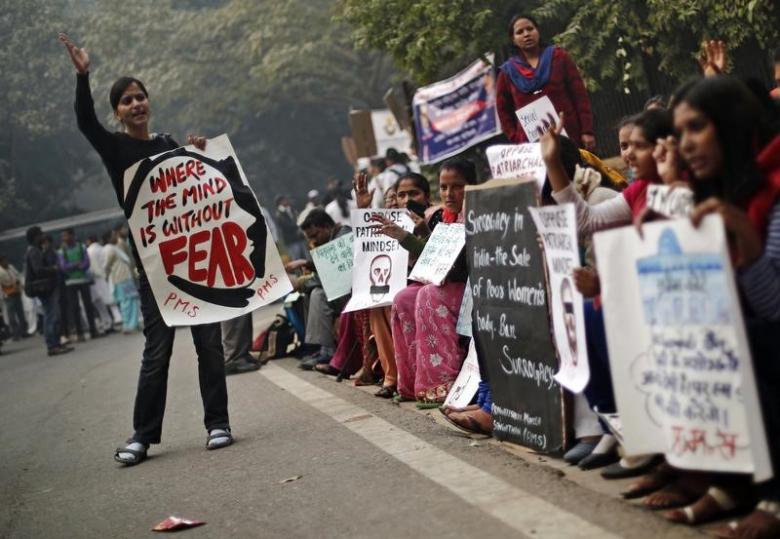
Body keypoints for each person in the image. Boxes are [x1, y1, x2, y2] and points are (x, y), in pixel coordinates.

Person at [60, 33, 233, 465]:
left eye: (140, 97)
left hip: (193, 262)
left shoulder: (168, 145)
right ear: (117, 111)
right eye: (126, 101)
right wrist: (83, 76)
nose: (135, 104)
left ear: (148, 102)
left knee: (209, 344)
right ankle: (142, 436)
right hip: (153, 269)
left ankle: (218, 424)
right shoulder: (114, 148)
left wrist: (201, 153)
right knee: (158, 351)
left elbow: (201, 191)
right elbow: (84, 122)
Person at [642, 76, 780, 536]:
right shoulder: (719, 193)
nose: (686, 145)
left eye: (696, 128)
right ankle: (731, 480)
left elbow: (775, 310)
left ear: (731, 125)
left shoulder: (772, 189)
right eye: (680, 133)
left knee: (753, 339)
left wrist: (746, 239)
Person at [374, 159, 474, 406]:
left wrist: (409, 237)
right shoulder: (444, 217)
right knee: (403, 298)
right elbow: (435, 258)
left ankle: (442, 383)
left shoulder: (476, 215)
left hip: (472, 286)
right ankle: (411, 383)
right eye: (443, 187)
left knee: (428, 295)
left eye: (457, 187)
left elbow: (460, 266)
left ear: (472, 187)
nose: (449, 194)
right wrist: (405, 237)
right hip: (447, 283)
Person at [496, 14, 595, 151]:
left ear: (538, 31)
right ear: (513, 39)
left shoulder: (559, 57)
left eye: (530, 29)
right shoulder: (507, 73)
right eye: (520, 32)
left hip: (571, 136)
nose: (526, 34)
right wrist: (517, 139)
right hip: (533, 146)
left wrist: (587, 131)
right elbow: (503, 112)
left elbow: (580, 96)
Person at [296, 209, 352, 370]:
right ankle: (322, 348)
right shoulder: (326, 240)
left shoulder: (343, 236)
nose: (313, 240)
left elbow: (329, 276)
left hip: (350, 291)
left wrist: (302, 283)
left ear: (327, 227)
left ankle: (328, 351)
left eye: (315, 235)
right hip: (339, 290)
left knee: (317, 293)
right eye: (309, 238)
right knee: (309, 294)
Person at [24, 227, 72, 356]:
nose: (43, 236)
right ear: (35, 237)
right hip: (44, 288)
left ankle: (55, 343)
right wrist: (53, 269)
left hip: (46, 287)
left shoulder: (36, 250)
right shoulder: (34, 251)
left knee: (52, 315)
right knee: (50, 315)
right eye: (41, 234)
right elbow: (38, 270)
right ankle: (52, 345)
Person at [57, 228, 99, 341]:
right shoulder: (62, 251)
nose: (64, 238)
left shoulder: (81, 247)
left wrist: (74, 266)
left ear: (72, 236)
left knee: (88, 306)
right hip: (70, 282)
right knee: (74, 307)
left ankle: (93, 330)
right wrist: (76, 265)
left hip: (83, 280)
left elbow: (87, 262)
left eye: (66, 236)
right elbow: (63, 266)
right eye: (63, 236)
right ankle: (80, 333)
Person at [103, 230, 140, 334]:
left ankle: (133, 324)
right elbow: (106, 266)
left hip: (125, 278)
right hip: (121, 279)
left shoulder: (114, 248)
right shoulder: (110, 249)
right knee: (126, 302)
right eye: (113, 236)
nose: (116, 237)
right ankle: (128, 325)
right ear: (108, 239)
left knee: (131, 301)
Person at [0, 255, 29, 340]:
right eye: (4, 261)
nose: (6, 262)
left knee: (21, 313)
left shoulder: (10, 267)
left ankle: (24, 331)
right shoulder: (0, 271)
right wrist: (13, 283)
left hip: (16, 291)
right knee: (11, 315)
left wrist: (17, 282)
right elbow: (4, 283)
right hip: (8, 294)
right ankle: (15, 333)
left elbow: (17, 275)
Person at [275, 195, 307, 260]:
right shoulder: (279, 214)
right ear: (280, 202)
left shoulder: (292, 209)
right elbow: (286, 226)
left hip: (300, 237)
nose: (286, 201)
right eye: (283, 200)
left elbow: (298, 218)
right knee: (296, 258)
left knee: (306, 256)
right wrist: (298, 225)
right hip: (291, 240)